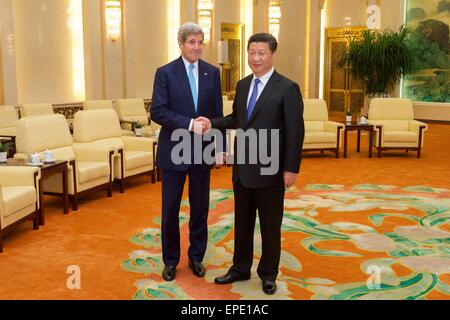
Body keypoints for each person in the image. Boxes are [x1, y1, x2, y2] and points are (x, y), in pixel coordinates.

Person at [198, 33, 304, 294]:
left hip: (271, 170)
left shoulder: (287, 88)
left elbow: (295, 131)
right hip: (243, 168)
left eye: (261, 53)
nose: (255, 58)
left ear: (272, 55)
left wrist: (291, 168)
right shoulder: (243, 85)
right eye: (252, 53)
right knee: (242, 222)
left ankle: (268, 273)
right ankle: (240, 267)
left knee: (270, 225)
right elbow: (237, 118)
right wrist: (213, 123)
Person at [150, 22, 223, 281]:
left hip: (203, 153)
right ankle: (170, 261)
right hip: (174, 153)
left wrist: (219, 148)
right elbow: (157, 111)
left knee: (200, 208)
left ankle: (196, 257)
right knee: (170, 209)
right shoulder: (165, 73)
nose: (197, 47)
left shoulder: (212, 73)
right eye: (191, 42)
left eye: (200, 42)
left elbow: (217, 115)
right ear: (181, 44)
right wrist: (190, 124)